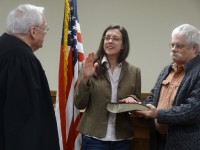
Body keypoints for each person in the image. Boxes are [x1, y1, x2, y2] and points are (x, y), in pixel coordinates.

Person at [0, 4, 60, 150]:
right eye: (44, 28)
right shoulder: (22, 60)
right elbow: (24, 120)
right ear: (33, 31)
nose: (45, 32)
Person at [74, 24, 141, 150]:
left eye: (115, 38)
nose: (110, 41)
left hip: (122, 139)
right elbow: (80, 104)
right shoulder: (90, 66)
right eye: (107, 38)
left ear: (123, 45)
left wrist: (133, 98)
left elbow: (136, 98)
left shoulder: (134, 71)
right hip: (94, 138)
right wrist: (85, 78)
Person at [136, 24, 200, 150]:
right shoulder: (167, 70)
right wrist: (139, 106)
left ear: (194, 48)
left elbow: (193, 110)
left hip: (185, 144)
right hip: (159, 141)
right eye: (172, 45)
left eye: (179, 46)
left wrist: (157, 114)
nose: (173, 49)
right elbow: (153, 96)